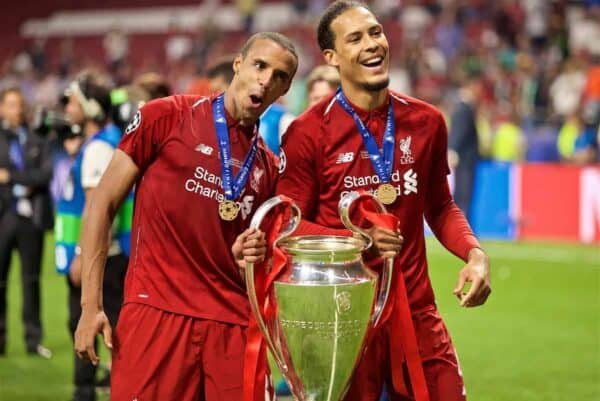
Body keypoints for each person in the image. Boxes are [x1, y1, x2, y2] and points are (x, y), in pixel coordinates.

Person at [276, 2, 491, 401]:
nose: (372, 44)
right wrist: (357, 242)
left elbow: (440, 207)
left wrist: (474, 254)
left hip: (415, 310)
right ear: (332, 57)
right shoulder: (308, 133)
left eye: (375, 32)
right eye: (355, 38)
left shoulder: (426, 122)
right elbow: (286, 226)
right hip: (343, 319)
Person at [74, 32, 298, 401]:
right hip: (156, 313)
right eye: (260, 65)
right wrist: (90, 307)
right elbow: (102, 204)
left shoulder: (268, 168)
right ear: (238, 65)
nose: (266, 79)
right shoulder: (165, 118)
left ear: (284, 90)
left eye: (279, 76)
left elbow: (271, 260)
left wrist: (254, 254)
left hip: (232, 323)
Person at [55, 71, 131, 401]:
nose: (66, 106)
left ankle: (87, 393)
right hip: (111, 255)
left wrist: (82, 255)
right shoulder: (105, 141)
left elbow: (95, 209)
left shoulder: (99, 148)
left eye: (72, 100)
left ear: (89, 107)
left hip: (103, 257)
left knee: (90, 325)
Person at [0, 87, 53, 358]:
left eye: (19, 105)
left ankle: (34, 340)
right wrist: (25, 179)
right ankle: (0, 341)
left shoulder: (36, 139)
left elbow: (45, 176)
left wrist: (11, 178)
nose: (16, 110)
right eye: (10, 105)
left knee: (31, 281)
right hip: (3, 217)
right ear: (1, 108)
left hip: (30, 220)